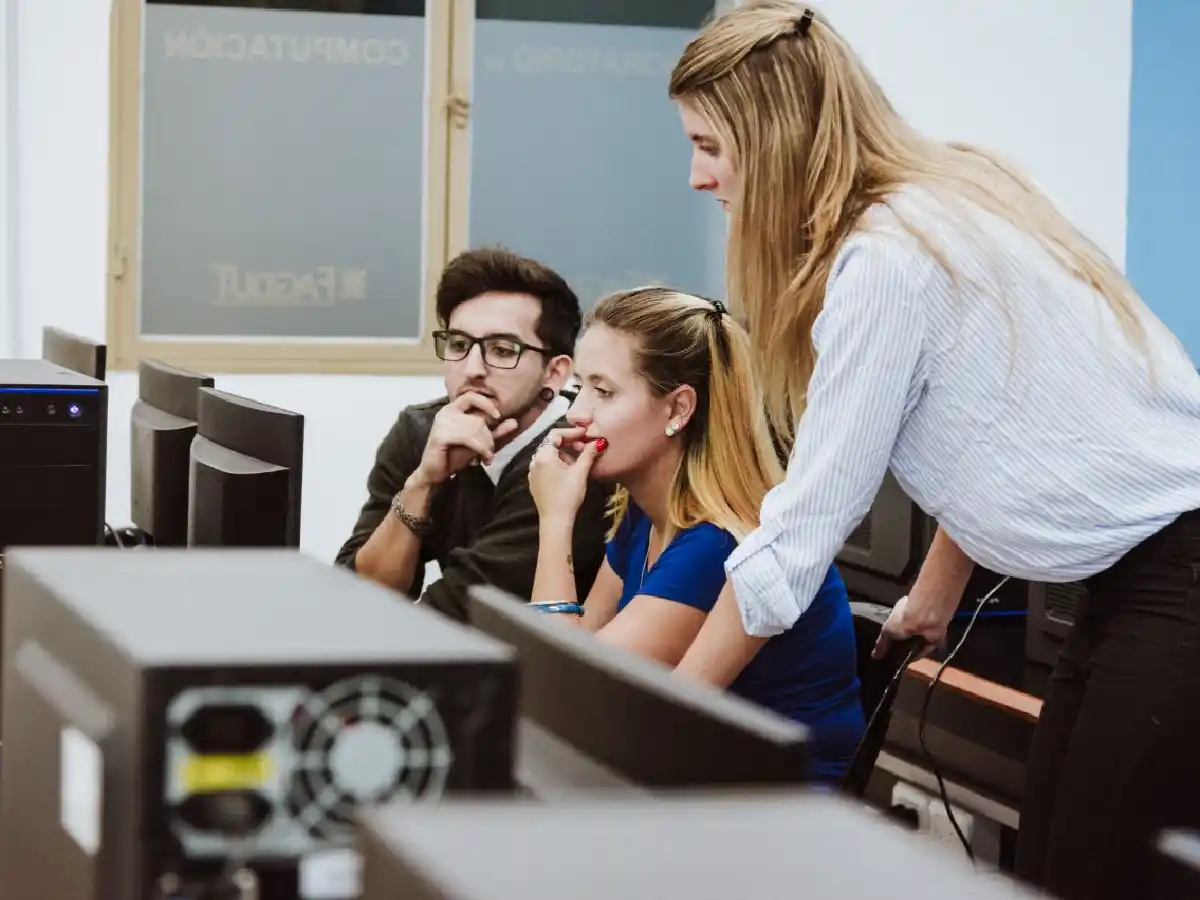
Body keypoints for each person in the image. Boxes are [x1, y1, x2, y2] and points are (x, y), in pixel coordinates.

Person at [664, 3, 1200, 898]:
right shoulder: (950, 196)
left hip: (1174, 571)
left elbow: (792, 547)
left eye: (711, 146)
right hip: (1124, 575)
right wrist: (937, 587)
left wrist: (659, 720)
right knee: (1049, 868)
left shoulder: (886, 261)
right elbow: (1010, 426)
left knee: (1091, 873)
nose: (695, 176)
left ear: (780, 139)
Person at [524, 286, 866, 783]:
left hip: (772, 814)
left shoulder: (717, 542)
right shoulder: (643, 517)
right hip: (689, 786)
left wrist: (555, 520)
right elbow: (571, 669)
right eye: (581, 388)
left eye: (605, 391)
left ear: (679, 409)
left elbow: (571, 699)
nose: (578, 414)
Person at [336, 247, 611, 622]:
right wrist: (423, 483)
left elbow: (456, 618)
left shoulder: (570, 456)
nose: (472, 369)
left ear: (555, 373)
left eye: (501, 349)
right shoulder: (421, 431)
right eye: (459, 345)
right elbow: (353, 597)